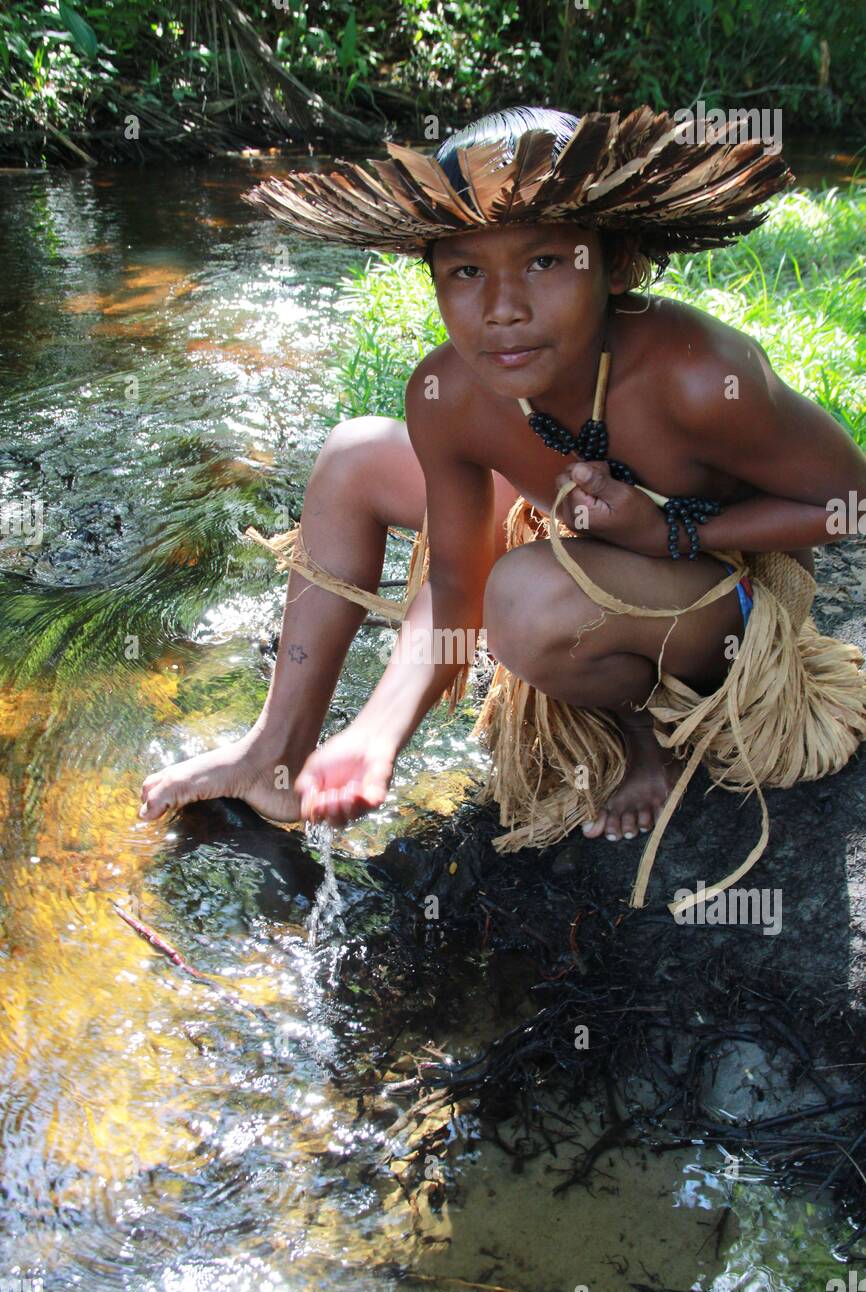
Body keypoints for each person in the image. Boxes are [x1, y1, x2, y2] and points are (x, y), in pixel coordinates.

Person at [138, 105, 866, 912]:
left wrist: (673, 528)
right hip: (570, 529)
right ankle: (275, 755)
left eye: (547, 261)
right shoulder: (448, 392)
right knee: (352, 456)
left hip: (720, 589)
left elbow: (851, 505)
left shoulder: (699, 376)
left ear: (615, 263)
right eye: (466, 272)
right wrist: (376, 732)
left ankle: (639, 738)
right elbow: (454, 591)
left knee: (523, 595)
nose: (503, 308)